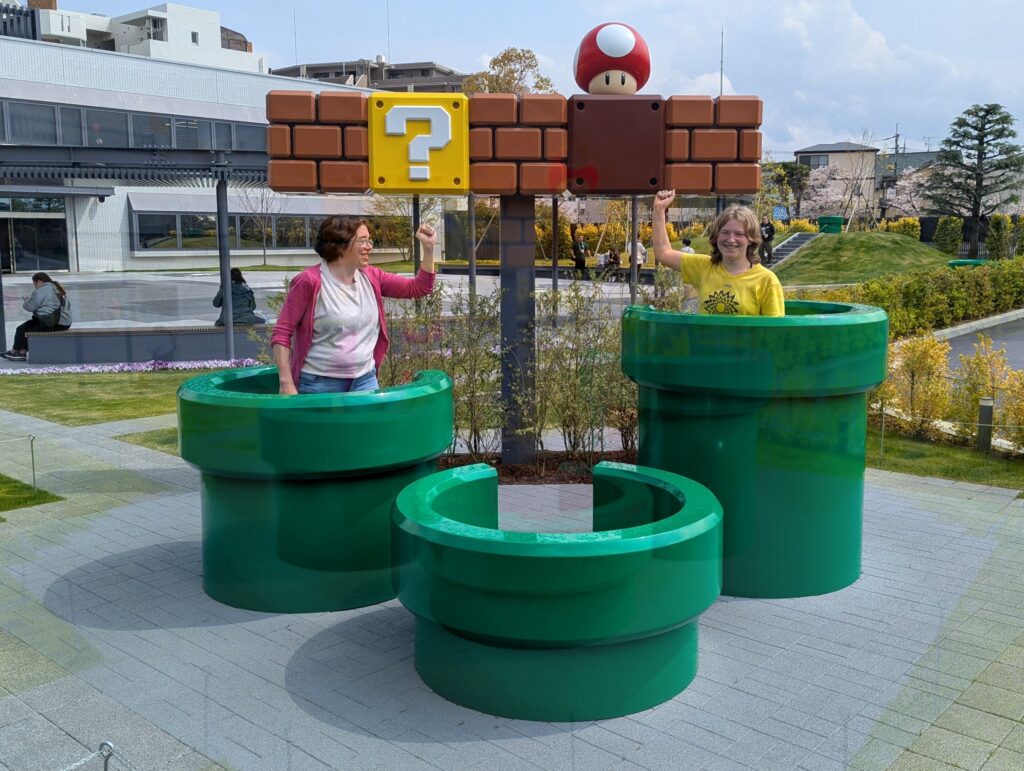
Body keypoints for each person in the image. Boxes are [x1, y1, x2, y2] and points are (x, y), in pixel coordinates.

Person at [270, 216, 437, 395]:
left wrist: (428, 249)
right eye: (362, 241)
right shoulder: (309, 281)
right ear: (340, 245)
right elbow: (282, 333)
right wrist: (286, 382)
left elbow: (420, 287)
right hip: (320, 384)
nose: (369, 246)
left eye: (369, 241)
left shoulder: (372, 277)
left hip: (365, 380)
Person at [652, 190, 784, 317]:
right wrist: (659, 210)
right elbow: (663, 252)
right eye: (725, 232)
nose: (731, 240)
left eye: (739, 234)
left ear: (750, 239)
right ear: (716, 236)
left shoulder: (767, 281)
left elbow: (775, 330)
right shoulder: (705, 267)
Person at [2, 272, 72, 361]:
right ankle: (22, 352)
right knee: (29, 327)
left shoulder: (42, 289)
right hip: (65, 323)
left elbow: (30, 307)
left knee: (21, 329)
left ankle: (14, 351)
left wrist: (26, 301)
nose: (35, 286)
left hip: (53, 322)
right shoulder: (56, 288)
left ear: (39, 281)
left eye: (34, 284)